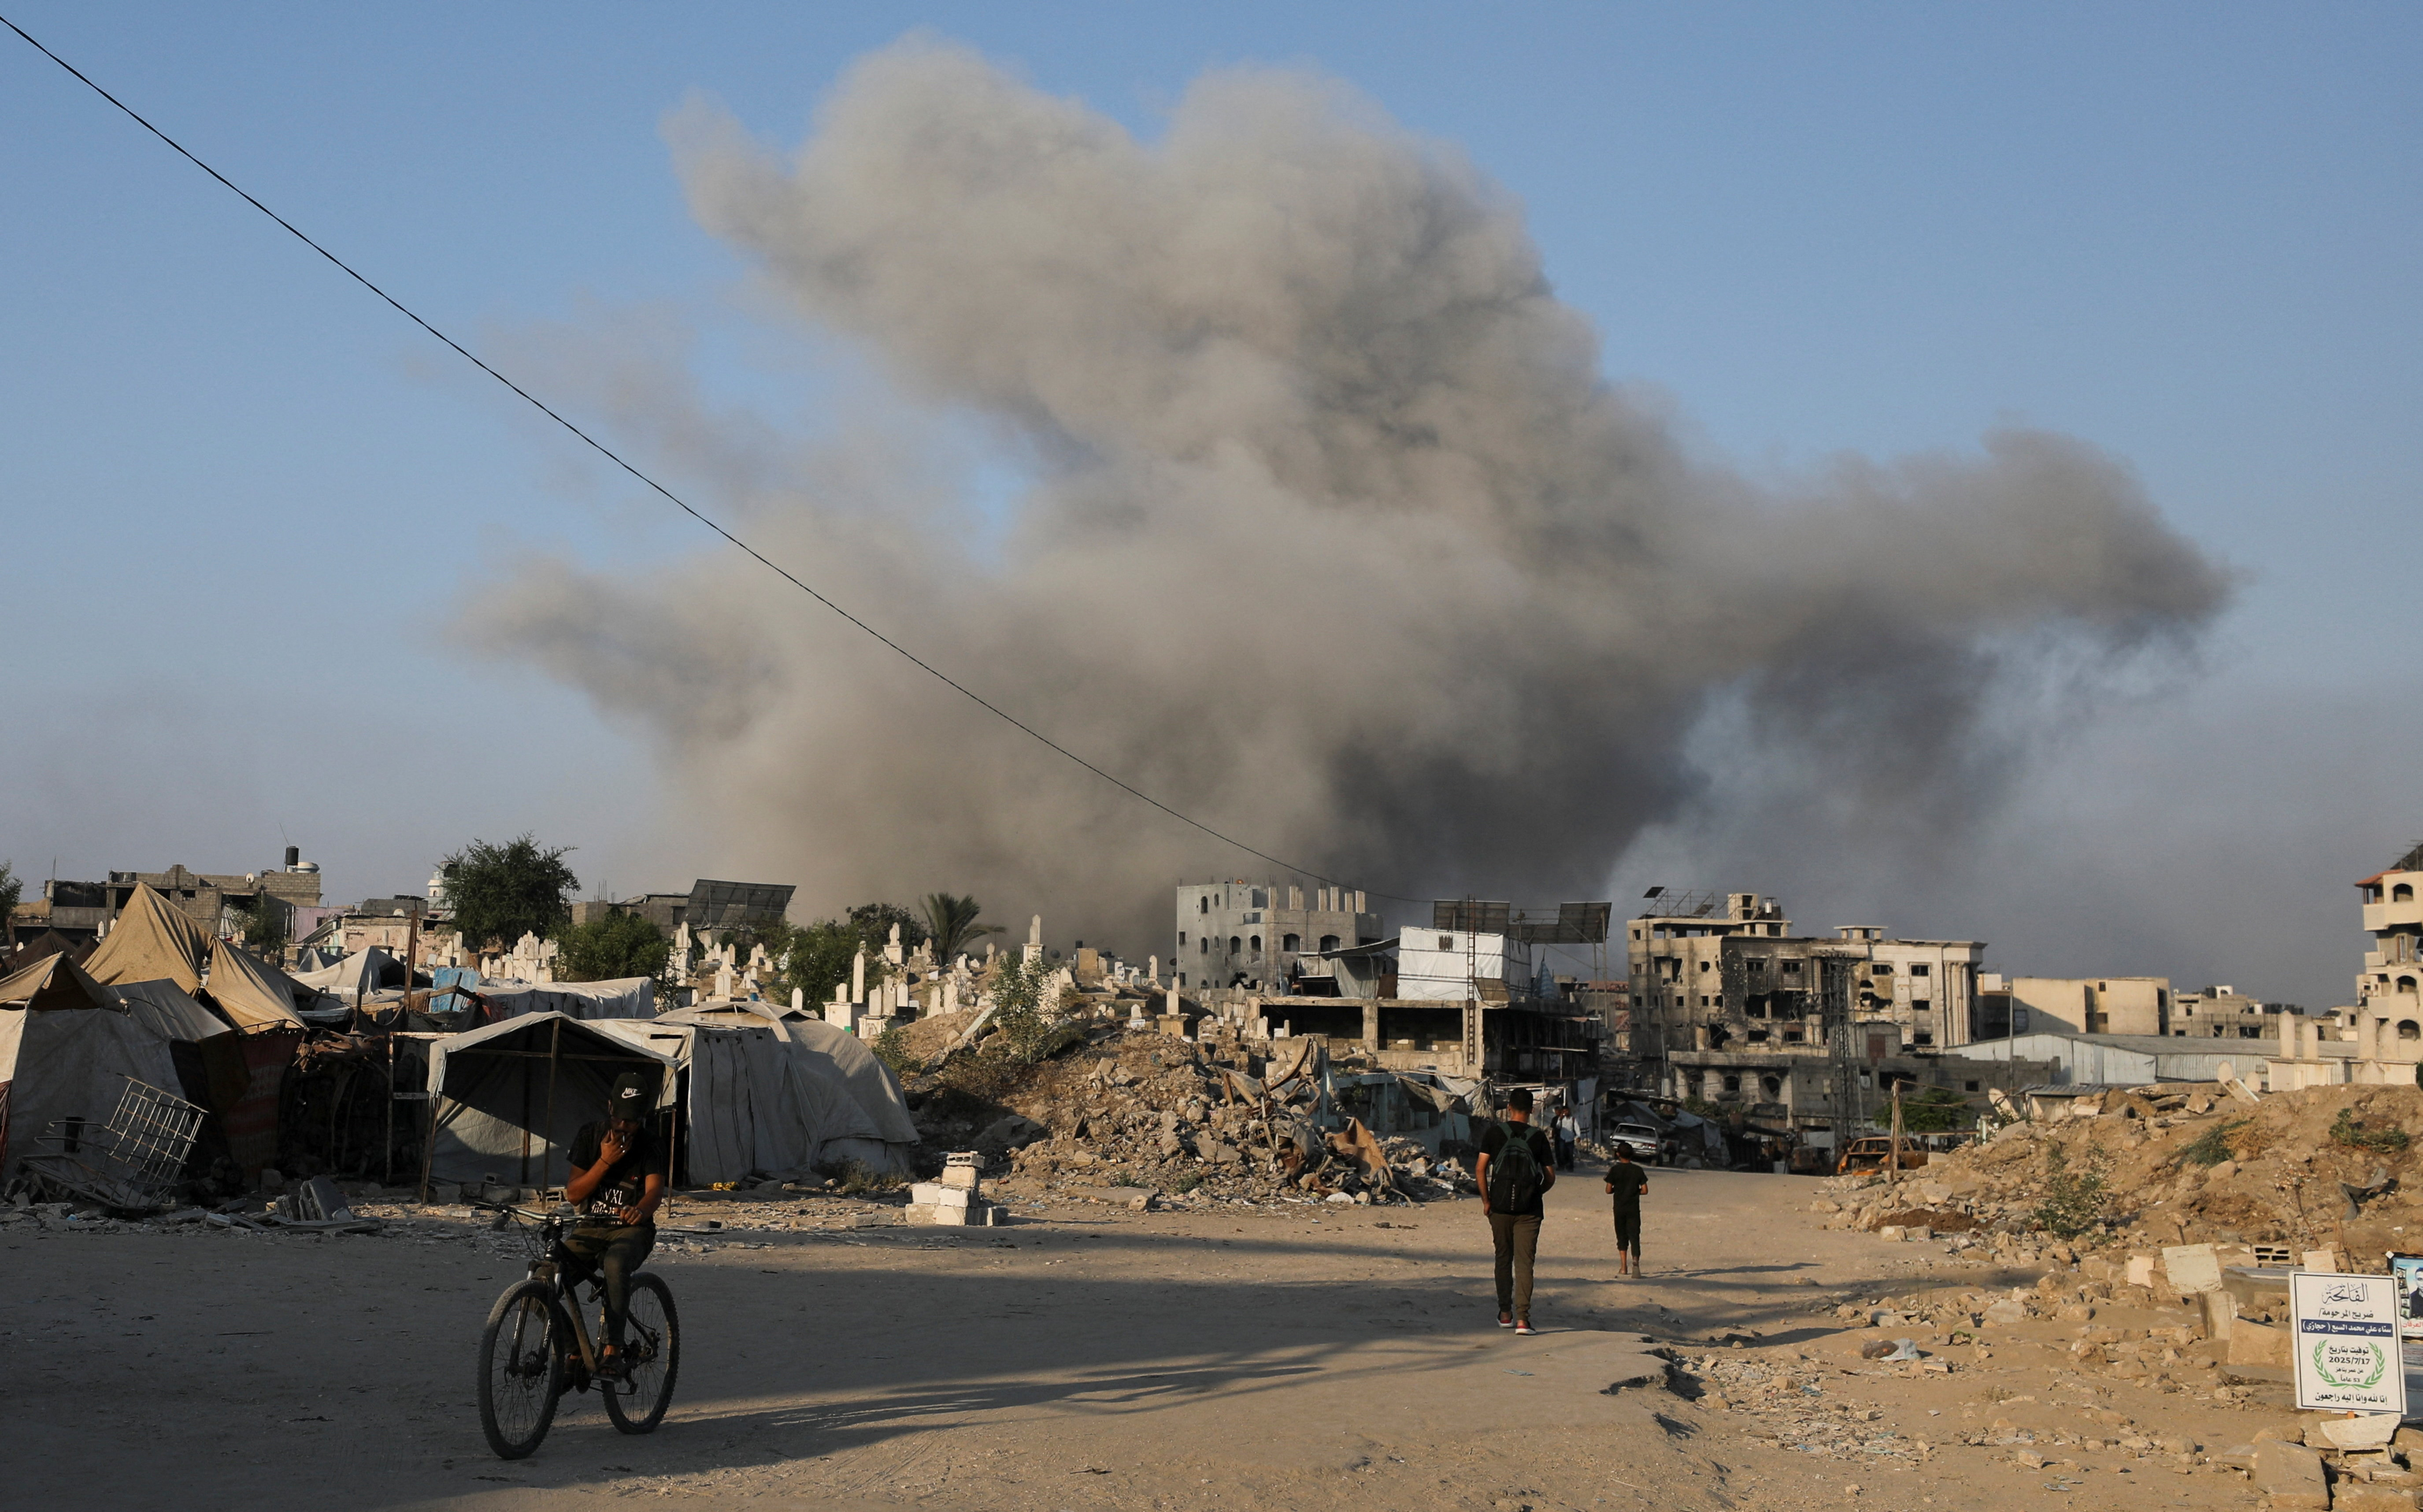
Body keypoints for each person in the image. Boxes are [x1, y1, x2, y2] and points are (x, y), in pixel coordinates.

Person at [561, 1072, 666, 1378]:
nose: (623, 1128)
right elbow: (575, 1194)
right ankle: (575, 1348)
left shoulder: (652, 1145)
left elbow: (655, 1193)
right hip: (590, 1226)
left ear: (643, 1118)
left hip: (631, 1230)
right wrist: (604, 1162)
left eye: (631, 1122)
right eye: (619, 1119)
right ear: (610, 1108)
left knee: (616, 1264)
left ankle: (613, 1351)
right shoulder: (590, 1136)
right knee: (546, 1276)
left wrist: (640, 1212)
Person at [1476, 1087, 1556, 1335]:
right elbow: (1551, 1176)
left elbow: (1480, 1169)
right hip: (1530, 1210)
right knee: (1525, 1264)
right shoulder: (1539, 1137)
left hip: (1499, 1207)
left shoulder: (1494, 1133)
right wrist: (1536, 1192)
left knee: (1503, 1259)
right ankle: (1523, 1320)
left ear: (1509, 1107)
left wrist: (1487, 1201)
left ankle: (1505, 1314)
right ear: (1532, 1110)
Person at [1604, 1140, 1649, 1276]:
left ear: (1618, 1154)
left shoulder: (1615, 1170)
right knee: (1634, 1235)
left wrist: (1616, 1190)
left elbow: (1608, 1190)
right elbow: (1645, 1190)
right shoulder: (1638, 1170)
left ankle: (1623, 1267)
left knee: (1621, 1236)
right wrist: (1635, 1192)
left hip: (1619, 1208)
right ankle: (1635, 1261)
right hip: (1633, 1208)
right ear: (1633, 1155)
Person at [1553, 1106, 1579, 1171]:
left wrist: (1578, 1136)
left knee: (1570, 1154)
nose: (1566, 1113)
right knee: (1562, 1153)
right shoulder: (1561, 1119)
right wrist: (1560, 1119)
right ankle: (1562, 1166)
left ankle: (1571, 1167)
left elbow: (1577, 1128)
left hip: (1570, 1139)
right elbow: (1558, 1127)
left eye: (1567, 1111)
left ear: (1569, 1111)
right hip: (1563, 1138)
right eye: (1564, 1111)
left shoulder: (1573, 1119)